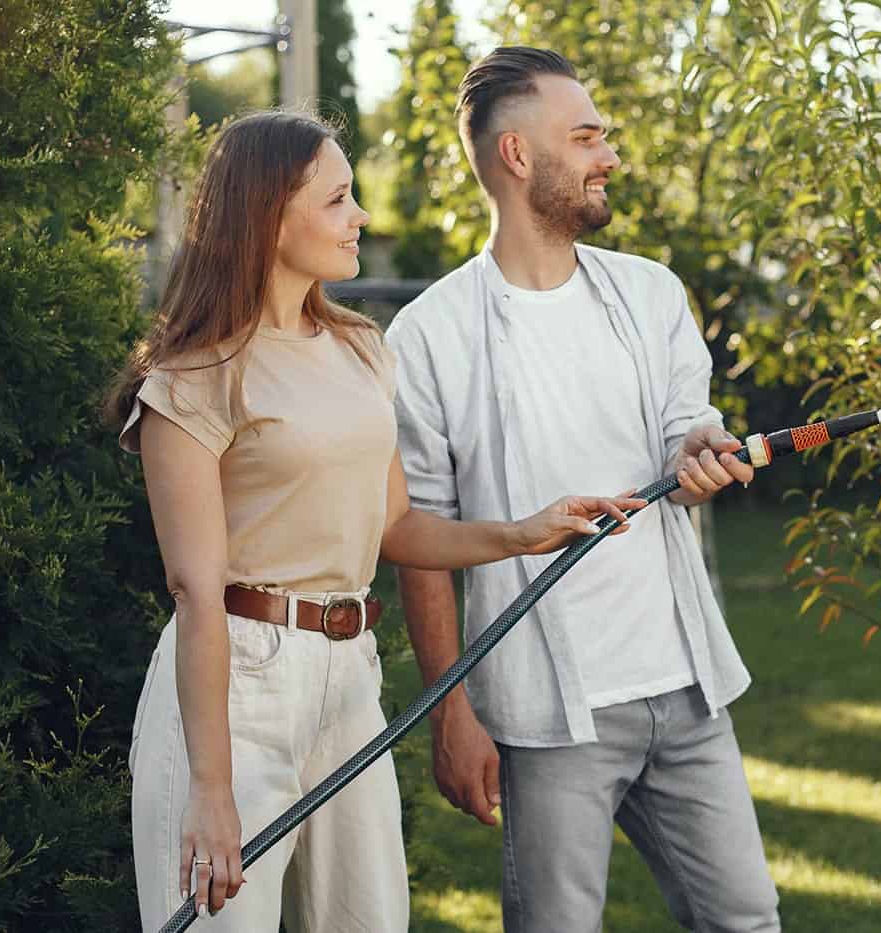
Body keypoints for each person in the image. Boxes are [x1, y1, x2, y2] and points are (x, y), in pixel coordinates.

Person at [107, 110, 643, 931]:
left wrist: (523, 532)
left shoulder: (359, 347)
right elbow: (194, 590)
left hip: (348, 679)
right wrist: (211, 791)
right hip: (235, 689)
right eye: (338, 199)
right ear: (267, 216)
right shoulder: (193, 378)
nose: (360, 216)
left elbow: (394, 524)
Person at [386, 48, 781, 932]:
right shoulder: (429, 337)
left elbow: (692, 427)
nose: (609, 155)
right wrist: (451, 713)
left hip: (684, 688)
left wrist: (703, 451)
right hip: (549, 715)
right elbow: (417, 536)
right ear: (519, 156)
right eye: (587, 136)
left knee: (748, 919)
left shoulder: (649, 294)